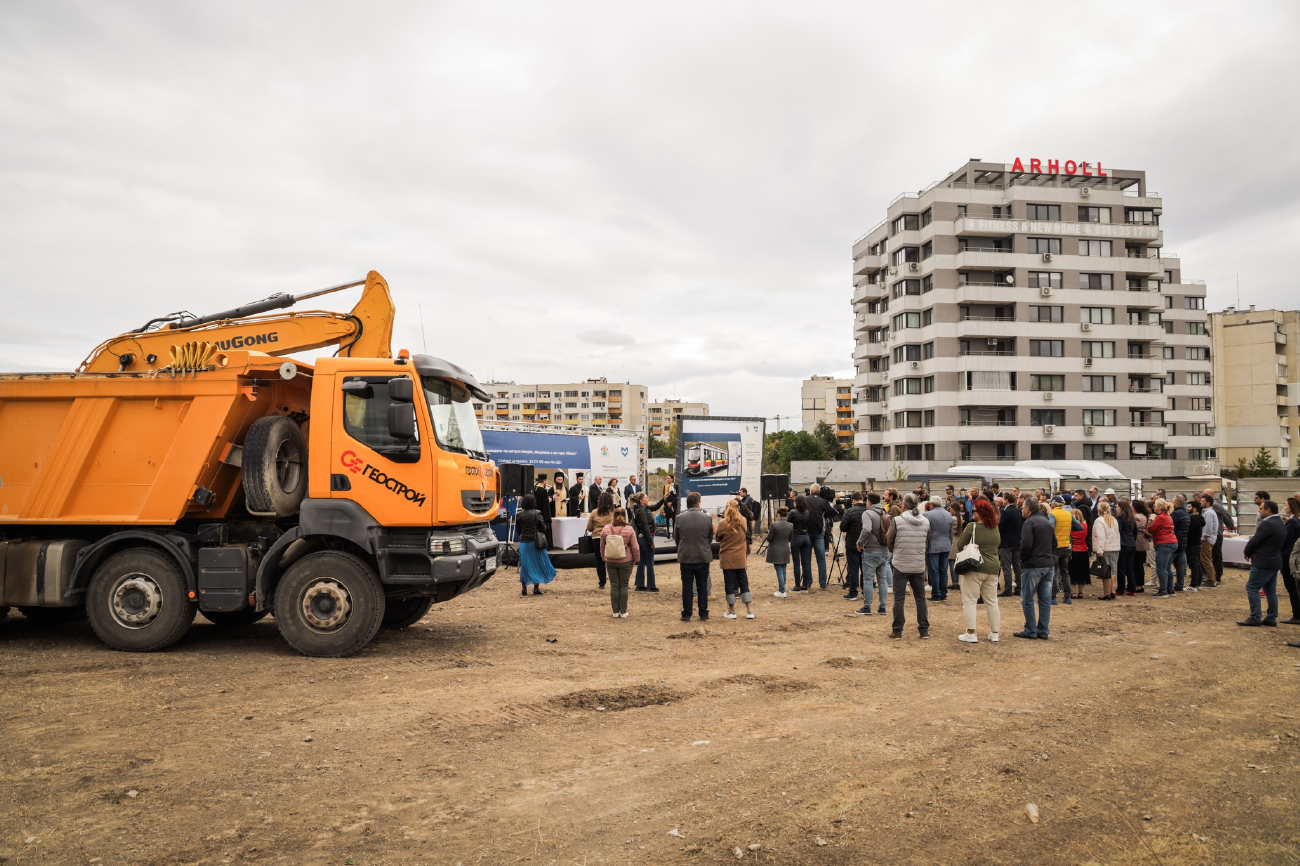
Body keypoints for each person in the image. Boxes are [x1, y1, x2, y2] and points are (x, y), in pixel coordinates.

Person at [885, 493, 931, 639]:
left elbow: (889, 539)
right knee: (920, 598)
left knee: (899, 599)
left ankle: (897, 630)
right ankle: (924, 630)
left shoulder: (898, 520)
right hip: (918, 564)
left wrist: (894, 550)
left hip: (900, 564)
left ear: (903, 505)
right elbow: (927, 539)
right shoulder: (925, 521)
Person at [956, 497, 1001, 643]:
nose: (972, 513)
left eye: (974, 511)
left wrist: (968, 546)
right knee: (992, 601)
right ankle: (994, 633)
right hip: (993, 567)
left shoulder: (972, 526)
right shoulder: (995, 528)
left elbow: (959, 545)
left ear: (980, 513)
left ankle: (971, 632)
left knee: (969, 600)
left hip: (975, 566)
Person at [1240, 499, 1285, 627]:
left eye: (1261, 508)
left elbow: (1255, 540)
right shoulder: (1280, 522)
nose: (1259, 511)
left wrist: (1247, 551)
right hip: (1274, 560)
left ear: (1268, 510)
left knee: (1252, 587)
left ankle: (1255, 616)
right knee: (1270, 590)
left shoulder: (1267, 524)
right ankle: (1271, 617)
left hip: (1263, 561)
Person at [1017, 498, 1056, 640]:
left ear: (1027, 510)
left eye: (1022, 508)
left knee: (1027, 599)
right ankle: (1043, 630)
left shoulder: (1029, 522)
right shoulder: (1047, 521)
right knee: (1045, 600)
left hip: (1033, 565)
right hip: (1048, 564)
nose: (1021, 510)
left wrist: (1023, 557)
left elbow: (1026, 544)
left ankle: (1030, 630)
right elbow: (1054, 543)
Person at [675, 491, 714, 621]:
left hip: (686, 557)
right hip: (703, 556)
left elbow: (677, 539)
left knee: (687, 586)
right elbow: (710, 538)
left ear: (687, 504)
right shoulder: (707, 518)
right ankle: (703, 613)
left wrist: (684, 548)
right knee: (702, 586)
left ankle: (686, 613)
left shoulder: (679, 518)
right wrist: (703, 546)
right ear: (698, 504)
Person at [716, 500, 755, 619]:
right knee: (743, 581)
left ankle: (732, 610)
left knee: (729, 582)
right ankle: (749, 609)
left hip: (727, 556)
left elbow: (718, 538)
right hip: (740, 556)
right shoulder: (743, 520)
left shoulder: (722, 523)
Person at [600, 507, 640, 618]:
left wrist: (604, 557)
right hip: (626, 560)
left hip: (610, 560)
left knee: (614, 585)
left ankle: (615, 611)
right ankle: (623, 611)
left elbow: (602, 546)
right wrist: (636, 559)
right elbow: (635, 547)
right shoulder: (630, 530)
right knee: (624, 585)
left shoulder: (606, 529)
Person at [856, 492, 891, 615]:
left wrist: (859, 543)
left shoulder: (868, 513)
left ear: (869, 502)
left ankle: (867, 607)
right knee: (883, 580)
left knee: (868, 579)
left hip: (871, 550)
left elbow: (866, 529)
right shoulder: (885, 512)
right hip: (884, 550)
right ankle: (882, 607)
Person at [514, 494, 556, 596]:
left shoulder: (518, 515)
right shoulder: (537, 513)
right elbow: (544, 528)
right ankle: (536, 589)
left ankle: (524, 589)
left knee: (525, 565)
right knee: (537, 564)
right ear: (534, 502)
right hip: (535, 542)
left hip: (524, 543)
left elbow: (518, 531)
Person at [923, 496, 954, 602]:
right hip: (945, 545)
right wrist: (949, 543)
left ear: (931, 505)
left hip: (933, 546)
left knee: (934, 571)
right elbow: (951, 532)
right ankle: (943, 593)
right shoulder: (948, 514)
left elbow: (926, 532)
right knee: (943, 571)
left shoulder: (928, 514)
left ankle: (936, 594)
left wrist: (925, 547)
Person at [632, 492, 664, 592]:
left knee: (642, 560)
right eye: (646, 498)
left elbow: (655, 507)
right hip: (646, 537)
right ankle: (651, 585)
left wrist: (663, 499)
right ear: (641, 500)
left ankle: (640, 584)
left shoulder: (643, 509)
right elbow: (645, 527)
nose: (648, 499)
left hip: (643, 537)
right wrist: (651, 541)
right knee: (649, 561)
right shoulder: (641, 511)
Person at [804, 484, 834, 589]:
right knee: (821, 559)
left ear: (811, 491)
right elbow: (831, 513)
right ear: (819, 492)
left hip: (806, 532)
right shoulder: (823, 502)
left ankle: (808, 582)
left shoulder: (805, 500)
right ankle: (823, 583)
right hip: (819, 533)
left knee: (807, 559)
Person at [586, 492, 617, 590]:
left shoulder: (594, 512)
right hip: (610, 538)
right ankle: (615, 581)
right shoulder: (614, 512)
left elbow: (589, 528)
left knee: (599, 561)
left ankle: (602, 582)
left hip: (597, 538)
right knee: (613, 560)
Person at [839, 492, 866, 601]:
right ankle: (866, 590)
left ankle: (853, 591)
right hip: (866, 544)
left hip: (852, 544)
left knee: (854, 568)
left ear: (853, 500)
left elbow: (843, 528)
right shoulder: (868, 511)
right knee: (865, 569)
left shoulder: (849, 512)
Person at [1149, 499, 1178, 598]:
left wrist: (1151, 521)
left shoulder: (1160, 517)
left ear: (1159, 507)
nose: (1154, 508)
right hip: (1172, 542)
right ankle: (1170, 589)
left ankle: (1163, 590)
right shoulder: (1168, 516)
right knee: (1167, 568)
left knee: (1161, 568)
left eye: (1155, 506)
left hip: (1163, 543)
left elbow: (1151, 528)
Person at [1093, 501, 1120, 600]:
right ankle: (1112, 590)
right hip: (1114, 547)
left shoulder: (1099, 521)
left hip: (1105, 548)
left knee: (1105, 572)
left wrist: (1099, 550)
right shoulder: (1113, 520)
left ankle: (1106, 593)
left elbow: (1101, 537)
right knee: (1111, 571)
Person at [1049, 497, 1074, 605]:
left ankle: (1053, 597)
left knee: (1054, 573)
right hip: (1065, 546)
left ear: (1054, 504)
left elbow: (1050, 527)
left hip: (1055, 547)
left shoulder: (1052, 514)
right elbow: (1078, 527)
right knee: (1065, 572)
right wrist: (1067, 530)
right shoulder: (1068, 514)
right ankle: (1068, 596)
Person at [997, 493, 1023, 597]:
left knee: (1006, 566)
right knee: (1016, 565)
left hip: (1006, 542)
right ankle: (1019, 587)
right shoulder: (1017, 511)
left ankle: (1007, 589)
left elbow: (1001, 528)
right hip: (1016, 542)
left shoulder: (1006, 512)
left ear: (1006, 500)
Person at [766, 506, 794, 597]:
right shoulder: (790, 525)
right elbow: (790, 538)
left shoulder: (774, 525)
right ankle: (782, 588)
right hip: (785, 548)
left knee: (779, 570)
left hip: (775, 549)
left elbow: (769, 538)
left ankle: (782, 590)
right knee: (783, 570)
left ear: (778, 514)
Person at [1281, 497, 1300, 625]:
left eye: (1286, 505)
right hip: (1291, 554)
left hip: (1287, 555)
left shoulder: (1293, 522)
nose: (1285, 507)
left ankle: (1297, 614)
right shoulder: (1295, 521)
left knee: (1291, 586)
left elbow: (1285, 539)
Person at [788, 495, 812, 592]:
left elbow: (788, 522)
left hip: (796, 537)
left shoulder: (793, 512)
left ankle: (797, 585)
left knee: (796, 563)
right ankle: (805, 584)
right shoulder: (807, 512)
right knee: (805, 562)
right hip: (805, 537)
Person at [1116, 499, 1139, 597]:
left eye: (1117, 507)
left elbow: (1118, 530)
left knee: (1121, 568)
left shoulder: (1121, 518)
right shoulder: (1132, 518)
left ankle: (1120, 589)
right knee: (1130, 568)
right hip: (1131, 544)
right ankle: (1131, 588)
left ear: (1121, 508)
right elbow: (1135, 532)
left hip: (1123, 544)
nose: (1116, 509)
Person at [1068, 508, 1092, 599]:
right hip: (1083, 549)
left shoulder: (1071, 526)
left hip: (1073, 550)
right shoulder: (1085, 525)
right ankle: (1080, 592)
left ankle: (1073, 592)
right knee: (1082, 571)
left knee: (1072, 571)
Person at [1198, 493, 1220, 589]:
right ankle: (1211, 578)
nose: (1201, 503)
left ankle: (1211, 580)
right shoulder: (1206, 512)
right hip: (1209, 539)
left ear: (1208, 503)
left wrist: (1204, 537)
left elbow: (1208, 526)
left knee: (1206, 560)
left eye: (1203, 501)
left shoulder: (1208, 513)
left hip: (1207, 540)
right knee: (1207, 559)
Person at [1171, 494, 1190, 592]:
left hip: (1175, 541)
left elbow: (1170, 525)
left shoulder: (1176, 514)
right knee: (1180, 566)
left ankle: (1168, 586)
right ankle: (1179, 584)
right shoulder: (1186, 513)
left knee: (1167, 565)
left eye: (1173, 502)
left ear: (1176, 503)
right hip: (1183, 542)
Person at [1186, 499, 1205, 591]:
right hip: (1197, 543)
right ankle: (1198, 583)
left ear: (1195, 508)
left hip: (1192, 544)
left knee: (1194, 564)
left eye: (1189, 507)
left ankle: (1194, 584)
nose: (1187, 508)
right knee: (1197, 563)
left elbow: (1190, 532)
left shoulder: (1193, 519)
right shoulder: (1199, 518)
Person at [1133, 498, 1152, 592]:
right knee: (1139, 564)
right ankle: (1139, 584)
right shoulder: (1144, 516)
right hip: (1142, 542)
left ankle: (1138, 585)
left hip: (1138, 542)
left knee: (1136, 564)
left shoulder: (1137, 517)